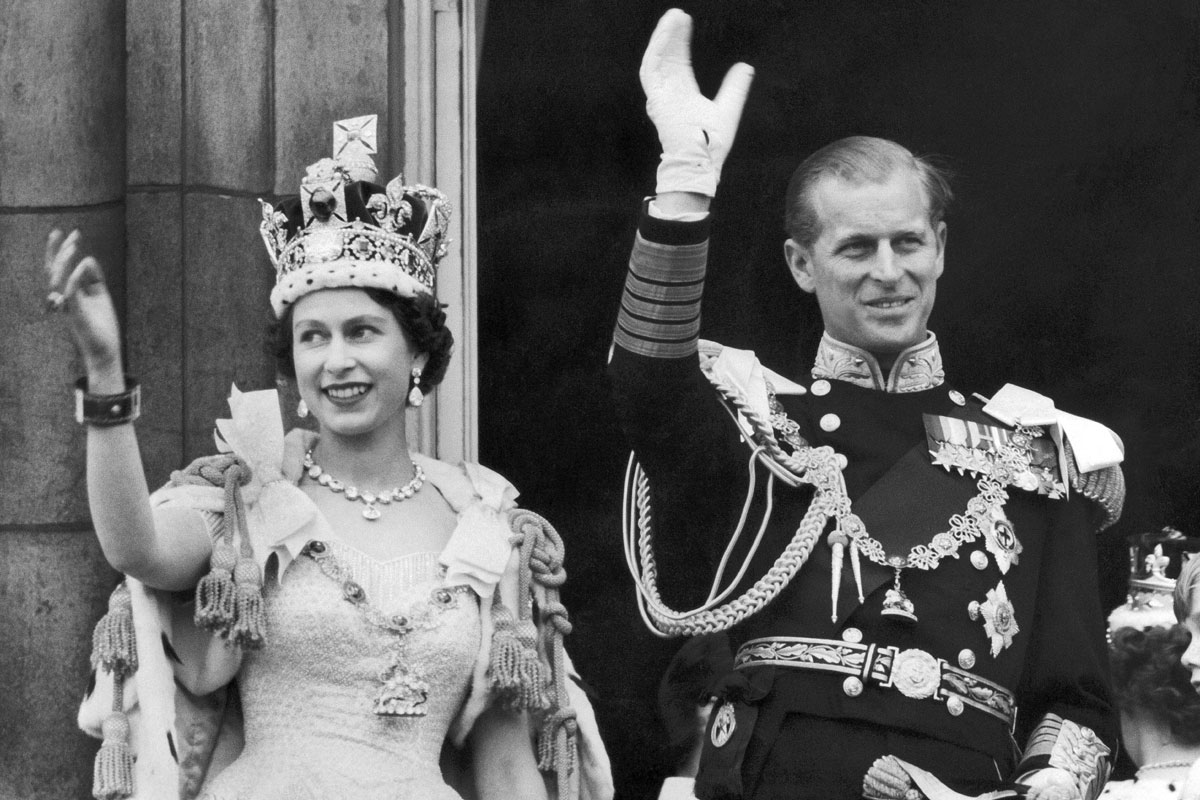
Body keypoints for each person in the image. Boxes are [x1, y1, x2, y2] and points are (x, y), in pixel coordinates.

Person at [611, 10, 1126, 800]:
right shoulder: (758, 424)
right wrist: (684, 185)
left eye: (907, 242)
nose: (889, 271)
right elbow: (647, 382)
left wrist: (1046, 789)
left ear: (941, 249)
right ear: (801, 264)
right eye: (856, 248)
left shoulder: (1032, 452)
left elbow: (1077, 699)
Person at [54, 116, 608, 800]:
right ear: (293, 367)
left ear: (420, 356)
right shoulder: (252, 494)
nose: (336, 359)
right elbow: (134, 547)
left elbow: (504, 765)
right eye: (312, 337)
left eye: (363, 332)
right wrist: (106, 375)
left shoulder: (486, 522)